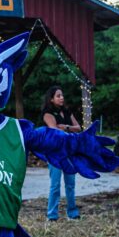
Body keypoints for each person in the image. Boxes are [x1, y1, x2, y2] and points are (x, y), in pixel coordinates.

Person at [42, 86, 82, 221]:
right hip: (55, 153)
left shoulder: (67, 111)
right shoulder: (48, 113)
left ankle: (72, 213)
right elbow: (54, 131)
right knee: (55, 185)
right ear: (51, 99)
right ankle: (52, 214)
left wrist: (65, 127)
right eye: (58, 96)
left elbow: (79, 128)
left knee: (70, 184)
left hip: (70, 151)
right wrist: (68, 130)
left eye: (62, 95)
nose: (62, 98)